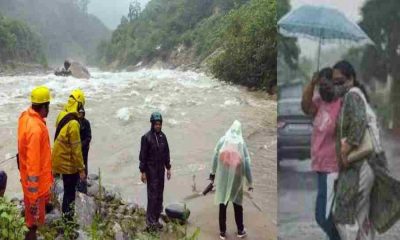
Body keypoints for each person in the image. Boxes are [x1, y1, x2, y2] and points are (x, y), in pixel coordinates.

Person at [301, 68, 341, 240]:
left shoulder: (341, 105)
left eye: (327, 84)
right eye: (321, 84)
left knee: (322, 216)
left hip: (333, 167)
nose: (324, 88)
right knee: (328, 214)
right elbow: (305, 107)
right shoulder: (318, 102)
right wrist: (311, 83)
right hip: (320, 166)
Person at [17, 86, 54, 240]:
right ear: (43, 106)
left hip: (29, 183)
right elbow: (33, 165)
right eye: (48, 106)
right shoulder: (36, 129)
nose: (49, 109)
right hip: (36, 190)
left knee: (31, 220)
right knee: (33, 224)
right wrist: (33, 198)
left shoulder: (25, 116)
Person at [209, 120, 253, 240]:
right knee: (237, 204)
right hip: (236, 180)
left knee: (223, 203)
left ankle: (222, 232)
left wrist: (212, 173)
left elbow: (215, 154)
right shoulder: (241, 143)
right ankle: (240, 230)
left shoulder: (223, 140)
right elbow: (247, 163)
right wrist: (250, 182)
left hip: (223, 179)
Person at [52, 89, 86, 222]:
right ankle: (68, 220)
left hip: (57, 158)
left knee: (67, 188)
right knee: (70, 192)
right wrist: (81, 169)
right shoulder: (74, 123)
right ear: (79, 105)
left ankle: (65, 217)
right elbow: (76, 148)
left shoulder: (62, 114)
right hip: (67, 163)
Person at [139, 112, 171, 232]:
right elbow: (143, 156)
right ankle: (150, 221)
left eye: (159, 124)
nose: (158, 126)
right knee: (152, 196)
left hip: (160, 171)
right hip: (151, 171)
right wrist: (142, 172)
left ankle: (156, 219)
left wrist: (168, 168)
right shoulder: (146, 138)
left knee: (159, 195)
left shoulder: (163, 137)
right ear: (152, 124)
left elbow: (166, 153)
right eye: (156, 124)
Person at [77, 108, 91, 194]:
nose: (80, 114)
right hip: (76, 149)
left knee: (84, 165)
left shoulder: (86, 123)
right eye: (79, 113)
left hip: (84, 148)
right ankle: (77, 185)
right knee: (76, 166)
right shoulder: (75, 123)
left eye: (82, 113)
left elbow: (89, 136)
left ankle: (83, 187)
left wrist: (82, 144)